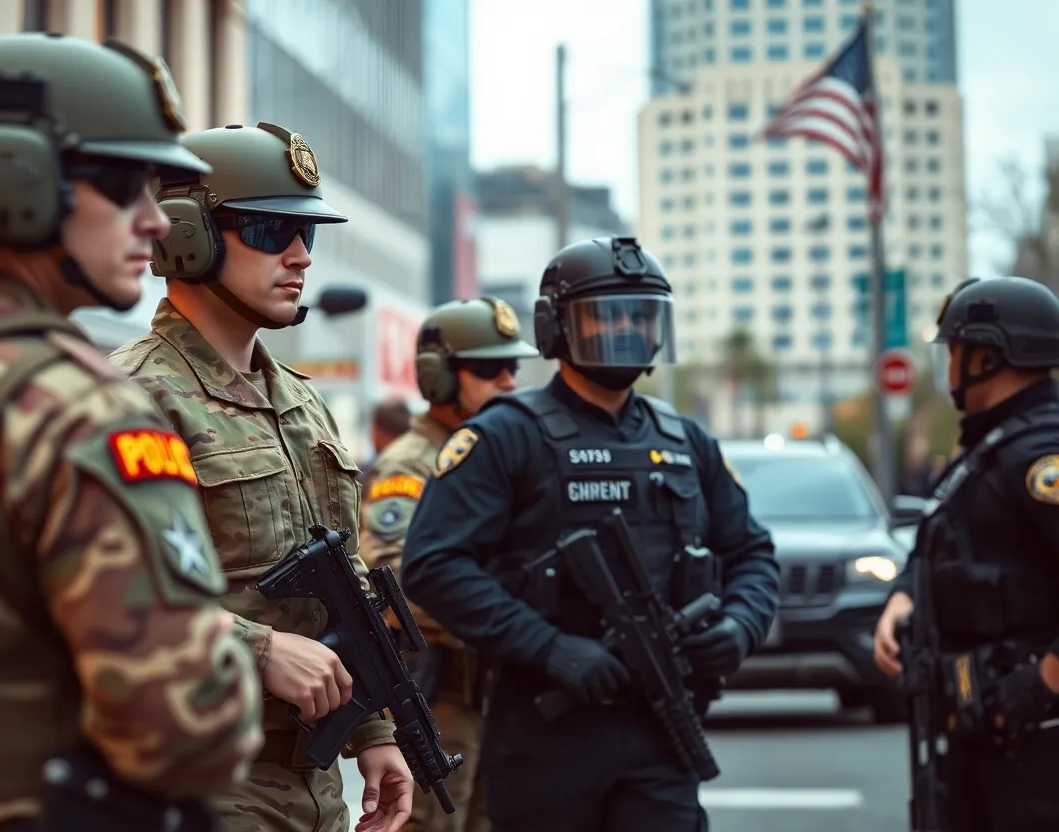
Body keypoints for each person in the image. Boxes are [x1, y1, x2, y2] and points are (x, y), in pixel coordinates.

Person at [0, 34, 263, 832]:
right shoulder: (75, 408)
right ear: (16, 177)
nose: (153, 220)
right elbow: (191, 725)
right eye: (127, 185)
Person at [400, 236, 780, 831]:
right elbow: (433, 564)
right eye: (608, 314)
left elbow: (753, 554)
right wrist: (549, 647)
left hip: (662, 728)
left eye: (641, 314)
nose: (627, 328)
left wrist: (739, 628)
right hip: (546, 731)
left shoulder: (685, 441)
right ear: (557, 328)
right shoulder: (505, 435)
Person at [109, 123, 413, 832]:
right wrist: (259, 648)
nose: (302, 256)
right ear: (189, 235)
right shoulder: (128, 397)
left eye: (309, 232)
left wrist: (375, 733)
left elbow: (349, 585)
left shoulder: (305, 403)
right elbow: (98, 590)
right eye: (273, 229)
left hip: (310, 782)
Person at [873, 276, 1059, 832]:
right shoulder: (989, 449)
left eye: (954, 350)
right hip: (984, 735)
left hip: (1037, 748)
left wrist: (1041, 686)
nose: (949, 365)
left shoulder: (1040, 458)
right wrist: (903, 599)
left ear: (985, 357)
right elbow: (943, 545)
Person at [359, 297, 541, 832]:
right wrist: (502, 612)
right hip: (439, 695)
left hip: (497, 688)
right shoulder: (410, 464)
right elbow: (390, 578)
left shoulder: (496, 458)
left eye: (512, 368)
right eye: (488, 369)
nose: (507, 381)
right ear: (439, 378)